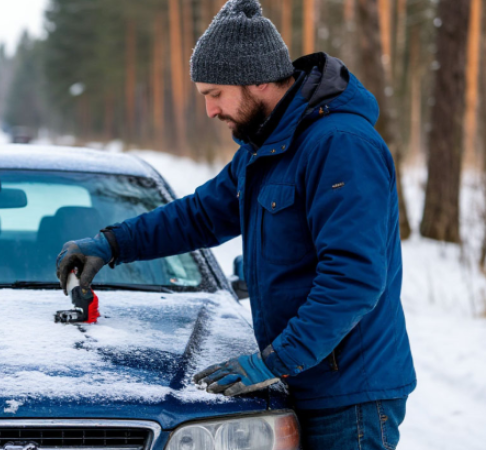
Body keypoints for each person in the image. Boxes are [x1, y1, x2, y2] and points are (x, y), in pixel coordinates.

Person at [55, 0, 416, 449]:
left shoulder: (340, 145)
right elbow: (200, 215)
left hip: (349, 395)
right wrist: (113, 243)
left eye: (215, 94)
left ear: (258, 80)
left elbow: (354, 278)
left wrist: (275, 361)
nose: (210, 110)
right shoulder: (266, 148)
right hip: (303, 377)